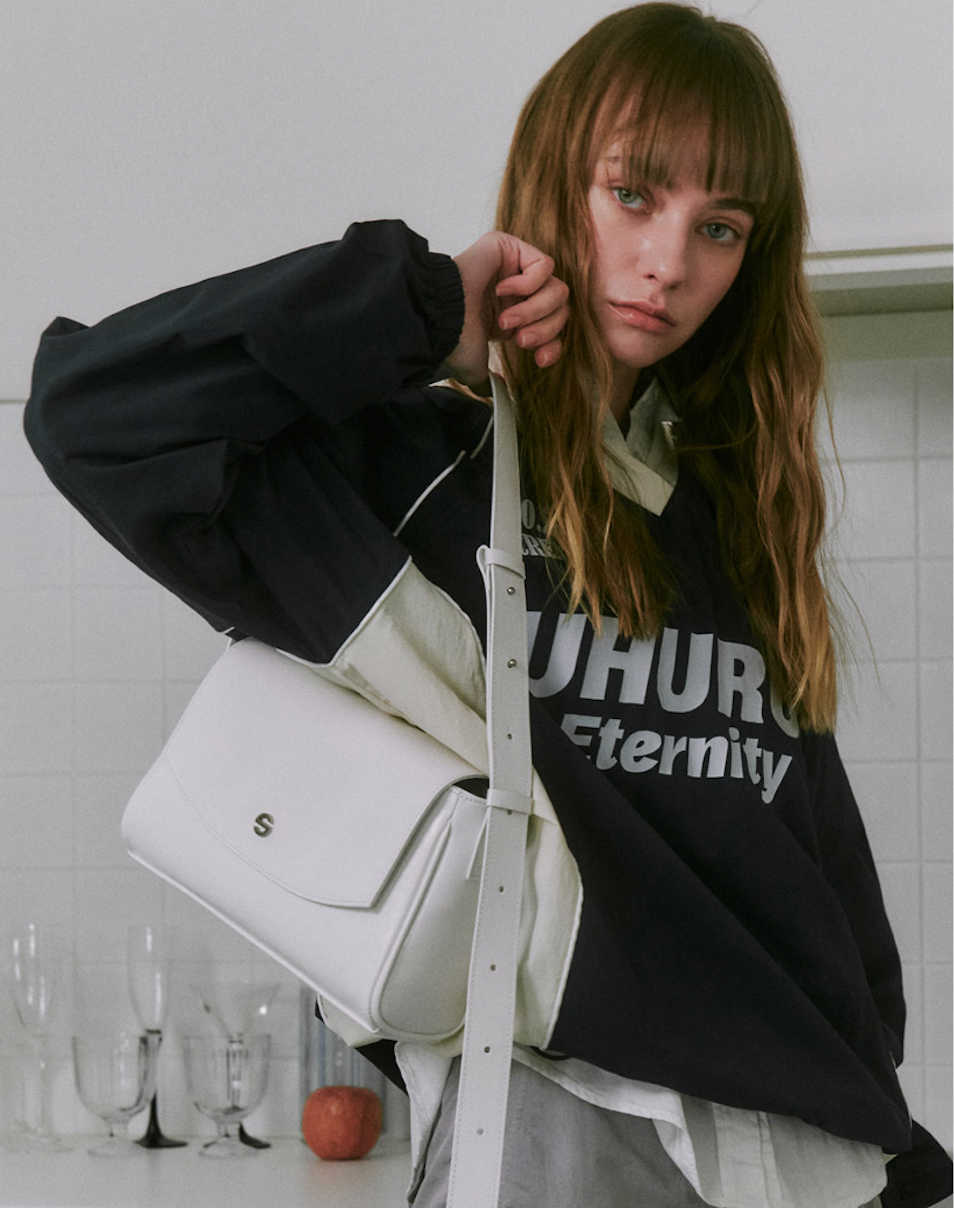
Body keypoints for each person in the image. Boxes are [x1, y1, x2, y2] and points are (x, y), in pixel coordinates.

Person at [23, 4, 952, 1206]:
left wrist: (878, 1120)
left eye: (719, 226)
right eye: (633, 193)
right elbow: (90, 409)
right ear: (557, 176)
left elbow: (821, 885)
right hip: (556, 1128)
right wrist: (420, 313)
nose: (670, 262)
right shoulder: (408, 473)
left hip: (808, 1157)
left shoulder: (740, 508)